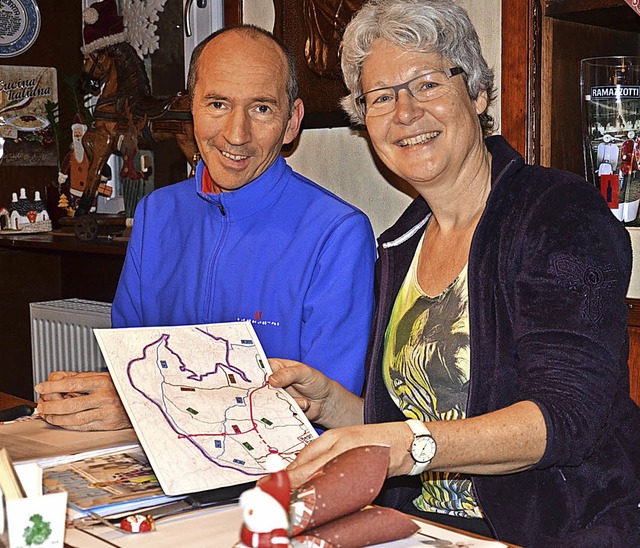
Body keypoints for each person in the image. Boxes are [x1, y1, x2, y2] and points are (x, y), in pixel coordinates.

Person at [267, 1, 640, 546]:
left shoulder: (558, 213)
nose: (405, 112)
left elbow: (565, 418)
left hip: (557, 527)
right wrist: (336, 405)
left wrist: (415, 444)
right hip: (426, 530)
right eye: (381, 97)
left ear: (479, 93)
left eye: (427, 83)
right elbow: (423, 412)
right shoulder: (401, 241)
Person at [35, 25, 376, 431]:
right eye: (217, 104)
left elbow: (319, 412)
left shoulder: (338, 234)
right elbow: (131, 363)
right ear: (189, 107)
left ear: (291, 122)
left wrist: (145, 404)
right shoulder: (155, 214)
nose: (236, 134)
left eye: (262, 108)